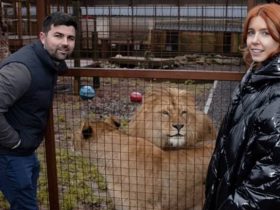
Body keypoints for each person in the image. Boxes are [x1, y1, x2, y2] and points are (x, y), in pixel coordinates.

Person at [203, 3, 280, 210]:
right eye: (251, 32)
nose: (254, 41)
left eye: (266, 33)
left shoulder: (275, 93)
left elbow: (268, 182)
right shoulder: (255, 77)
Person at [0, 11, 77, 209]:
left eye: (70, 38)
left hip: (24, 150)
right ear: (43, 37)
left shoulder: (48, 62)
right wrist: (15, 142)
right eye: (58, 36)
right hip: (9, 153)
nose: (65, 43)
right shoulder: (21, 70)